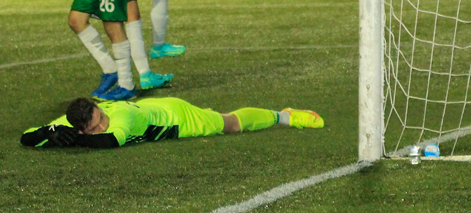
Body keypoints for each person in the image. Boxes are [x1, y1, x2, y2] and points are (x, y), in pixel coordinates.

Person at [20, 96, 324, 149]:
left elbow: (109, 142)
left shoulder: (123, 118)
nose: (102, 126)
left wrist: (78, 139)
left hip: (177, 118)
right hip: (154, 110)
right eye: (94, 127)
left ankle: (283, 116)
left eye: (101, 120)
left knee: (229, 124)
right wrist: (50, 132)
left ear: (99, 108)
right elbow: (26, 136)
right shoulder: (75, 121)